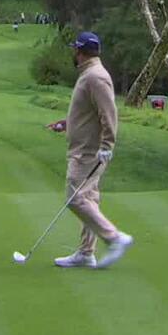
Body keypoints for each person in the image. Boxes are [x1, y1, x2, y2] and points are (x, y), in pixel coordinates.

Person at [46, 32, 134, 269]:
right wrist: (67, 124)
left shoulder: (96, 76)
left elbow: (109, 114)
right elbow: (88, 112)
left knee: (75, 197)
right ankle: (86, 253)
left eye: (75, 49)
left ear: (80, 51)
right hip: (84, 147)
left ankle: (114, 238)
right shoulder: (89, 74)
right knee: (89, 198)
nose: (73, 53)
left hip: (89, 152)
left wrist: (107, 145)